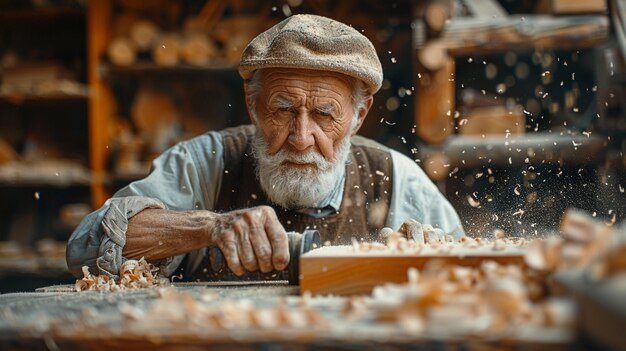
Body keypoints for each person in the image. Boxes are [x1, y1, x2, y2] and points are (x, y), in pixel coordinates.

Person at [67, 14, 463, 281]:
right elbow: (84, 249)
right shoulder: (206, 163)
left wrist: (432, 259)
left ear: (359, 117)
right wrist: (211, 226)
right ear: (253, 104)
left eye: (325, 114)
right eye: (283, 108)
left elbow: (469, 277)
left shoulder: (393, 177)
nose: (301, 137)